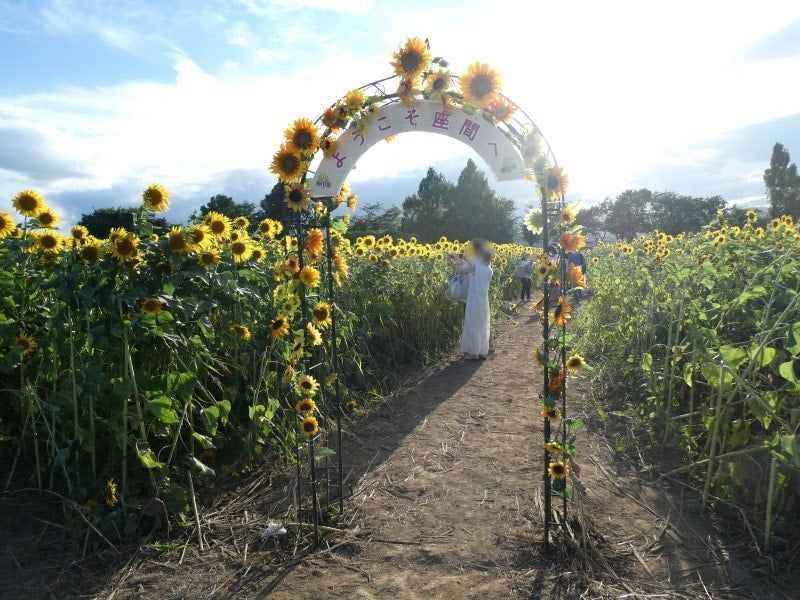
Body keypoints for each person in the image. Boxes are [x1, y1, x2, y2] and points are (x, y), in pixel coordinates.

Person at [457, 244, 493, 360]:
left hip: (473, 300)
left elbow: (462, 271)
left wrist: (460, 260)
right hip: (483, 301)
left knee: (473, 322)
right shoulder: (489, 270)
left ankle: (474, 353)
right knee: (482, 324)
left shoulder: (477, 268)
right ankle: (482, 351)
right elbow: (474, 268)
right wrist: (467, 260)